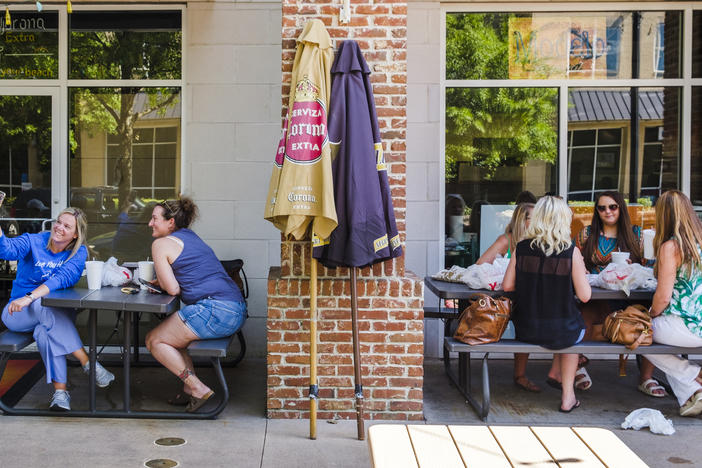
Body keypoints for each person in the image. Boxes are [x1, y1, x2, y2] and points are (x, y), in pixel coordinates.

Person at [1, 207, 115, 411]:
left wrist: (31, 296)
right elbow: (6, 250)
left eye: (67, 226)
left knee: (43, 333)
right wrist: (28, 299)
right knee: (42, 304)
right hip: (17, 312)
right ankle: (87, 362)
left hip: (48, 314)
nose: (59, 228)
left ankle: (60, 394)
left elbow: (62, 278)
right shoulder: (34, 241)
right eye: (58, 222)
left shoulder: (78, 252)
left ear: (76, 234)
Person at [144, 197, 247, 412]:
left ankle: (197, 388)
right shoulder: (190, 236)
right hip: (234, 308)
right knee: (172, 339)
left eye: (154, 219)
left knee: (154, 340)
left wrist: (161, 282)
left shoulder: (161, 244)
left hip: (215, 310)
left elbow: (173, 290)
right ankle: (189, 389)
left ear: (170, 222)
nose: (150, 223)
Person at [503, 196, 591, 412]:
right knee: (574, 332)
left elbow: (507, 286)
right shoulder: (571, 252)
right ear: (563, 219)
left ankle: (557, 376)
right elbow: (585, 296)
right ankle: (568, 396)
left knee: (567, 329)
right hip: (562, 331)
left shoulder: (521, 248)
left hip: (526, 328)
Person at [574, 191, 664, 397]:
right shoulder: (587, 233)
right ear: (597, 211)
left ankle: (646, 377)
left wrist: (635, 268)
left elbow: (652, 266)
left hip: (630, 296)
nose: (608, 211)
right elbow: (570, 258)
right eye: (602, 208)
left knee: (651, 323)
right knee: (581, 317)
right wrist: (581, 269)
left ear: (621, 209)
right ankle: (576, 364)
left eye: (613, 207)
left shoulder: (637, 234)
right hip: (596, 294)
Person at [645, 190, 702, 416]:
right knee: (655, 335)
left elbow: (663, 298)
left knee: (639, 336)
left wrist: (650, 316)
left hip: (684, 324)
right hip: (699, 323)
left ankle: (693, 376)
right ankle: (691, 395)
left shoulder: (671, 247)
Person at [477, 202, 538, 392]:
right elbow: (480, 265)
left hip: (527, 297)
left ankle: (521, 375)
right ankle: (519, 375)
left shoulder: (539, 241)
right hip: (505, 298)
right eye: (534, 218)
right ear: (523, 220)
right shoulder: (507, 240)